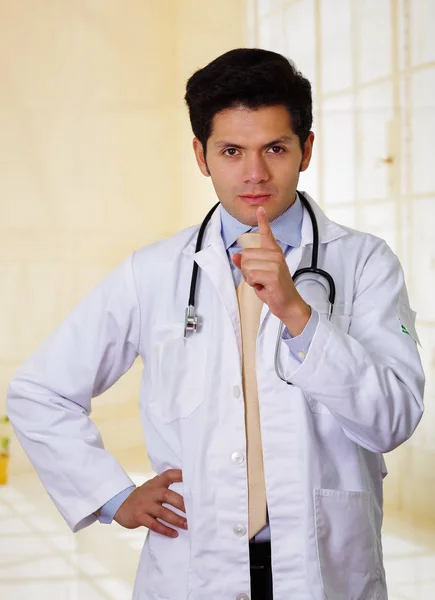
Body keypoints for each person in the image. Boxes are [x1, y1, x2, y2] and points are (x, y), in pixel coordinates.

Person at [7, 48, 425, 600]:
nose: (254, 173)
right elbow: (40, 391)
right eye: (232, 151)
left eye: (275, 148)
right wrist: (111, 496)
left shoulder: (366, 262)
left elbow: (391, 420)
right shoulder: (152, 272)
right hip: (193, 569)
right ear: (202, 156)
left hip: (326, 568)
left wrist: (296, 312)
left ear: (307, 149)